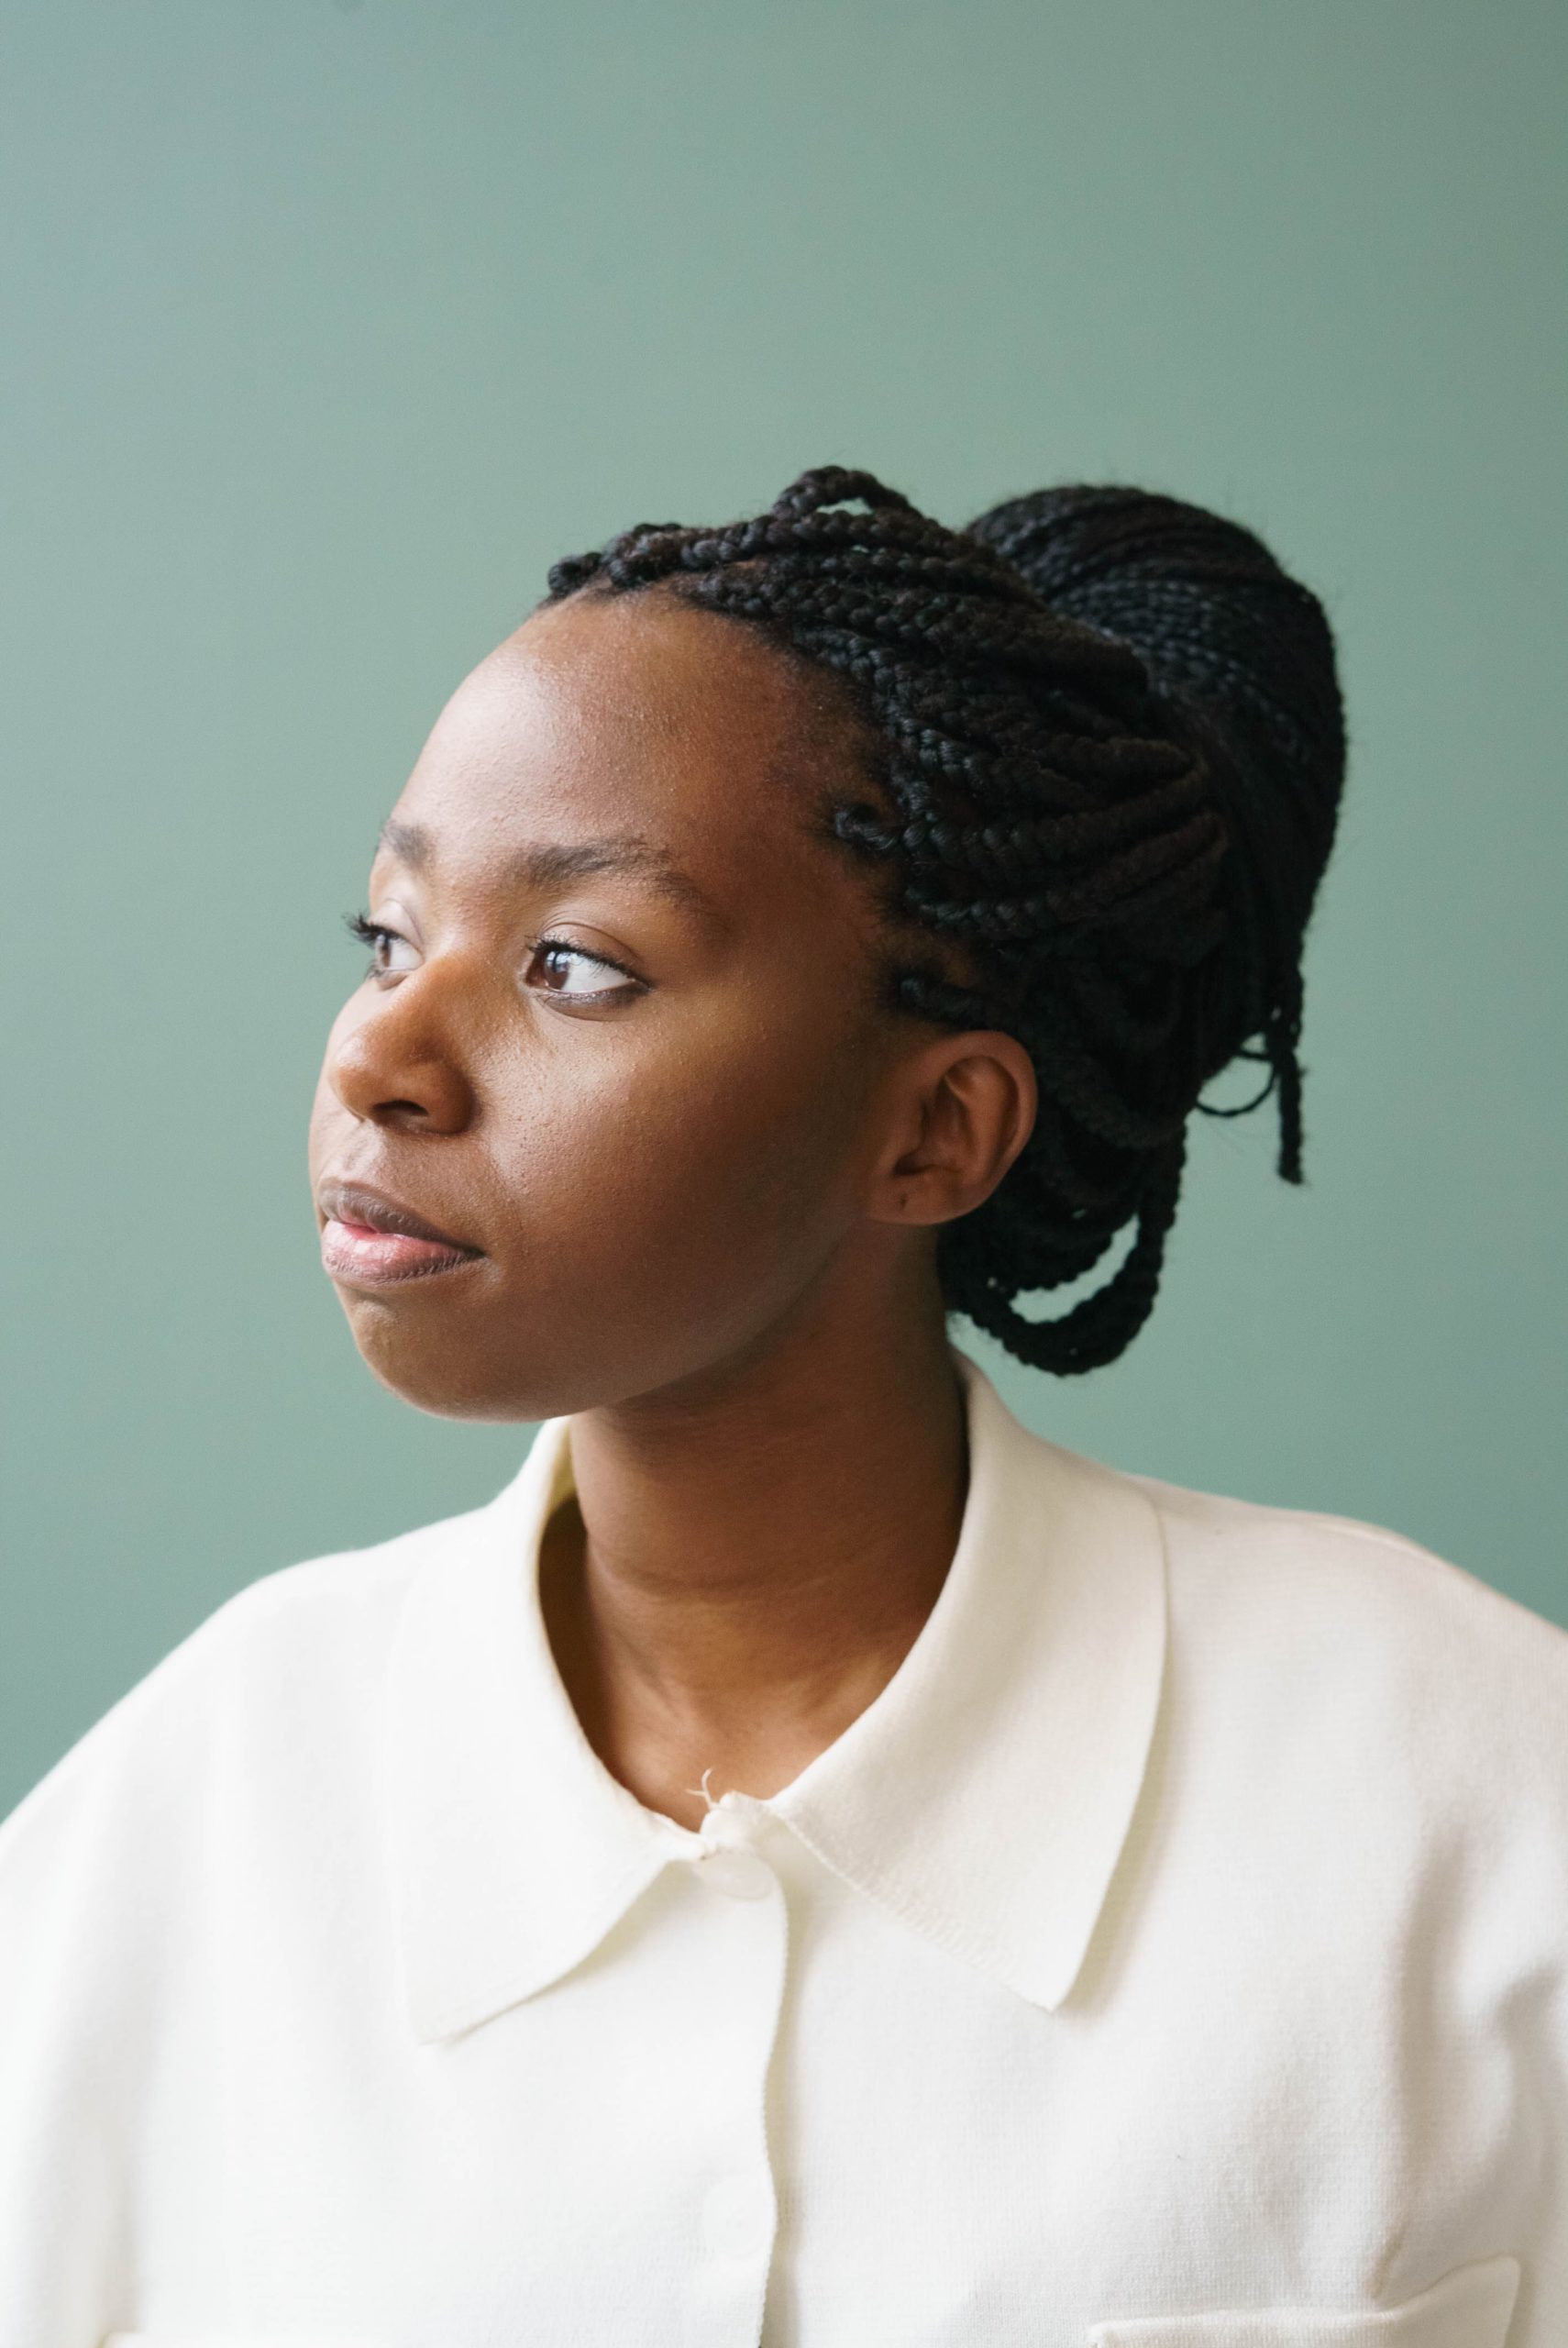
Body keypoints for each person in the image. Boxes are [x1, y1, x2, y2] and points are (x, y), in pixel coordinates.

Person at [2, 468, 1563, 2346]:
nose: (380, 1052)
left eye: (571, 963)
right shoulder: (185, 1825)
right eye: (389, 936)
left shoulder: (1477, 1813)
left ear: (934, 1127)